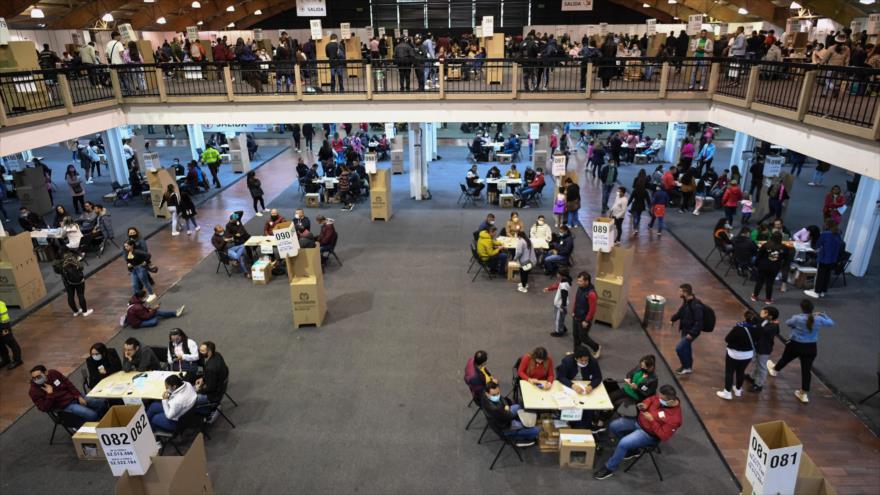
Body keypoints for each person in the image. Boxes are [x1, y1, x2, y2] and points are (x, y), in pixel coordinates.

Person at [593, 385, 682, 480]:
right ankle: (632, 449)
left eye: (662, 399)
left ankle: (609, 468)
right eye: (659, 396)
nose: (659, 399)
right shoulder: (662, 397)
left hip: (648, 434)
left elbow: (663, 436)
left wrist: (652, 421)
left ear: (671, 401)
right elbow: (651, 398)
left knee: (623, 443)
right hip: (638, 422)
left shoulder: (675, 418)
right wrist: (645, 404)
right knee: (614, 426)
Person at [768, 300, 835, 404]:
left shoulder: (797, 318)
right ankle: (803, 394)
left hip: (795, 344)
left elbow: (788, 323)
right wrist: (823, 315)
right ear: (812, 309)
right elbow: (831, 323)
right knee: (806, 370)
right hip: (811, 347)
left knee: (785, 359)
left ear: (802, 308)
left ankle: (775, 370)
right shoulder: (819, 319)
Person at [29, 365, 107, 421]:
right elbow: (44, 408)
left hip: (74, 396)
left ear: (46, 373)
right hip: (64, 406)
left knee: (101, 403)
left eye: (39, 377)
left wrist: (79, 396)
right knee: (92, 415)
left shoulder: (53, 373)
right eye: (34, 378)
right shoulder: (34, 391)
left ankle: (100, 420)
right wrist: (50, 394)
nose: (36, 379)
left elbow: (68, 384)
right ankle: (95, 423)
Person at [481, 381, 539, 447]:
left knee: (517, 406)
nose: (497, 396)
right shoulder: (495, 409)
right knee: (535, 430)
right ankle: (525, 438)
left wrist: (506, 405)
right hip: (504, 427)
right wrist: (516, 417)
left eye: (498, 393)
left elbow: (501, 398)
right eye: (494, 395)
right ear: (487, 394)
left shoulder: (485, 393)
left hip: (503, 415)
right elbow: (510, 416)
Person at [717, 310, 760, 400]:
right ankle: (738, 390)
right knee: (741, 371)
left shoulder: (738, 328)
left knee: (730, 372)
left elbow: (727, 339)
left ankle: (727, 392)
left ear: (745, 317)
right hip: (748, 355)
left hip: (734, 354)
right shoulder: (758, 329)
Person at [670, 284, 704, 375]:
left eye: (680, 291)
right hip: (685, 329)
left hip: (690, 332)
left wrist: (692, 333)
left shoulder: (696, 305)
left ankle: (686, 366)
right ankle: (688, 367)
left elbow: (699, 322)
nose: (678, 293)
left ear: (685, 293)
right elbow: (681, 312)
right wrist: (673, 318)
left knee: (679, 349)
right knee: (686, 348)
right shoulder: (686, 301)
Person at [805, 220, 844, 299]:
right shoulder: (837, 234)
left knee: (820, 275)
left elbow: (817, 245)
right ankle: (823, 291)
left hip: (824, 258)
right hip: (833, 258)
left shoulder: (825, 234)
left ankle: (816, 292)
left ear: (827, 225)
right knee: (827, 275)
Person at [744, 306, 779, 392]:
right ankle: (752, 377)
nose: (761, 313)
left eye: (764, 312)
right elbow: (756, 322)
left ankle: (759, 384)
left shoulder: (773, 326)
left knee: (762, 367)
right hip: (758, 346)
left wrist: (759, 319)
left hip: (764, 349)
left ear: (770, 316)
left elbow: (761, 330)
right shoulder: (766, 321)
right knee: (756, 363)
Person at [52, 250, 91, 317]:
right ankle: (85, 311)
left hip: (66, 280)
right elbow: (81, 267)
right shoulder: (72, 256)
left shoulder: (57, 260)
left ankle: (75, 311)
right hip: (78, 280)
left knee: (70, 295)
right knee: (80, 294)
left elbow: (57, 270)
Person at [194, 341, 229, 411]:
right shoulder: (217, 355)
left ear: (209, 352)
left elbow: (210, 388)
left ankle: (209, 412)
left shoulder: (210, 368)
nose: (200, 352)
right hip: (220, 385)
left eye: (202, 351)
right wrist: (203, 379)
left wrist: (199, 390)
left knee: (191, 400)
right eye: (200, 350)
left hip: (214, 395)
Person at [751, 232, 784, 304]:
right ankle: (768, 300)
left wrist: (755, 265)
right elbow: (782, 258)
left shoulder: (765, 245)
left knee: (760, 281)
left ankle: (754, 296)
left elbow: (759, 256)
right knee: (770, 283)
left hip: (763, 266)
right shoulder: (783, 247)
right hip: (774, 268)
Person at [546, 268, 572, 337]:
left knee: (558, 319)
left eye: (558, 274)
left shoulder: (564, 285)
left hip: (560, 305)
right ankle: (563, 328)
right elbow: (558, 286)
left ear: (562, 275)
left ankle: (559, 332)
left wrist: (562, 307)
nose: (557, 275)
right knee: (560, 318)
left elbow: (564, 296)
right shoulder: (564, 281)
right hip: (560, 304)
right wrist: (549, 288)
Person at [0, 300, 23, 370]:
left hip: (3, 326)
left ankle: (17, 360)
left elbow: (5, 318)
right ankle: (6, 359)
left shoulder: (0, 304)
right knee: (0, 344)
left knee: (11, 343)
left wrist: (4, 329)